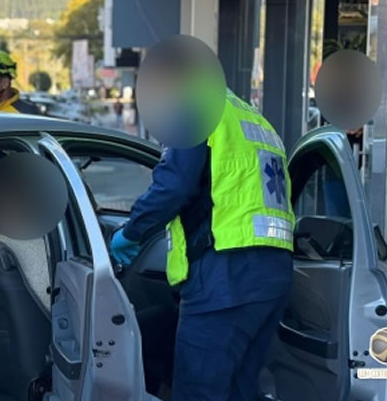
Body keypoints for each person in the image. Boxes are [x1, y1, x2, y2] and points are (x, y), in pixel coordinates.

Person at [110, 91, 295, 401]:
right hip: (273, 275)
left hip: (226, 276)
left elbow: (173, 186)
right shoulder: (253, 118)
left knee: (198, 391)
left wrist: (132, 232)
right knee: (241, 388)